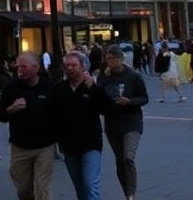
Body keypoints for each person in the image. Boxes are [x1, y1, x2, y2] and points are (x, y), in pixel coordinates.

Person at [48, 51, 113, 200]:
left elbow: (108, 108)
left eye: (74, 65)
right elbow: (51, 115)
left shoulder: (90, 87)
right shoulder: (59, 89)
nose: (70, 68)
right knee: (80, 186)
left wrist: (94, 88)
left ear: (83, 66)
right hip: (69, 146)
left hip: (91, 145)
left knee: (90, 184)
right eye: (67, 65)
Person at [0, 52, 54, 200]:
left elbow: (59, 113)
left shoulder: (48, 87)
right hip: (20, 146)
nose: (20, 70)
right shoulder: (11, 88)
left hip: (44, 146)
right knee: (23, 190)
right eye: (18, 66)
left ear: (35, 67)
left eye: (24, 67)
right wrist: (11, 109)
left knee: (42, 188)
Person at [97, 45, 149, 200]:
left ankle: (131, 194)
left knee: (128, 157)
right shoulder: (104, 76)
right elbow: (97, 94)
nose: (111, 62)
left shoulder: (133, 76)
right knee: (120, 160)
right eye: (108, 59)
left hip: (132, 121)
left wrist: (130, 101)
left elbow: (144, 98)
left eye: (113, 58)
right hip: (112, 123)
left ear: (121, 59)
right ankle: (127, 193)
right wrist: (104, 78)